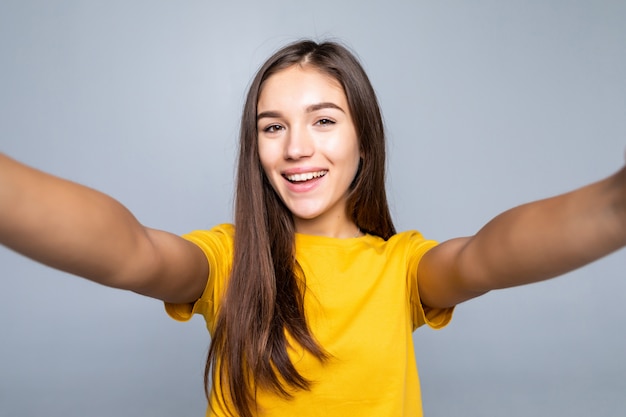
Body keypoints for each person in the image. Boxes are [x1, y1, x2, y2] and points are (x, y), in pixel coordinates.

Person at [0, 40, 624, 417]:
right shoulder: (228, 260)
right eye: (273, 127)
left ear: (364, 140)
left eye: (324, 120)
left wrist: (615, 204)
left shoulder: (401, 268)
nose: (296, 147)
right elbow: (126, 250)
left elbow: (495, 254)